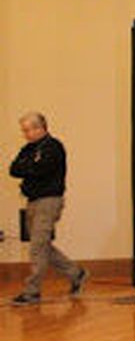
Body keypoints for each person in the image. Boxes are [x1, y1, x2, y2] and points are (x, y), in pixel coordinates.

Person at [9, 112, 88, 305]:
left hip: (49, 200)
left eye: (28, 130)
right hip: (32, 201)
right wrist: (30, 166)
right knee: (41, 244)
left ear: (40, 128)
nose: (26, 134)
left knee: (37, 246)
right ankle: (76, 273)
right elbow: (14, 169)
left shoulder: (53, 147)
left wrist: (29, 167)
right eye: (24, 130)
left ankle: (32, 291)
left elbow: (41, 170)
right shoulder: (28, 149)